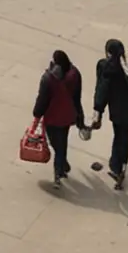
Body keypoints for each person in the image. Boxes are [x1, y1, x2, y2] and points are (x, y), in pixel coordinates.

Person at [91, 39, 128, 190]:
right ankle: (122, 165)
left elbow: (101, 92)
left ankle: (117, 168)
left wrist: (97, 113)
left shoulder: (107, 67)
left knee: (119, 137)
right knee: (125, 139)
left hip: (117, 111)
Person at [31, 49, 87, 187]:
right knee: (62, 142)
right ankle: (62, 166)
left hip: (52, 117)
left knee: (56, 144)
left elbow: (42, 99)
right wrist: (79, 114)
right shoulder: (74, 74)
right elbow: (77, 97)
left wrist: (37, 114)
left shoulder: (48, 78)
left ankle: (59, 172)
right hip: (67, 115)